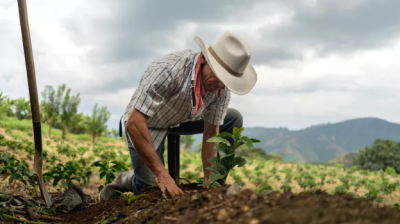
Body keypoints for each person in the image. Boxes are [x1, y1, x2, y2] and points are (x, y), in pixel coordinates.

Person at [99, 31, 257, 201]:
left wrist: (209, 182)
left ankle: (216, 184)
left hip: (183, 118)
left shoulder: (220, 89)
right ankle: (126, 179)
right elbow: (134, 122)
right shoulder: (168, 70)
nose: (220, 86)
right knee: (150, 188)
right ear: (204, 59)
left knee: (233, 118)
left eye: (226, 82)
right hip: (148, 122)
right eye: (219, 77)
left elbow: (212, 133)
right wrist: (161, 173)